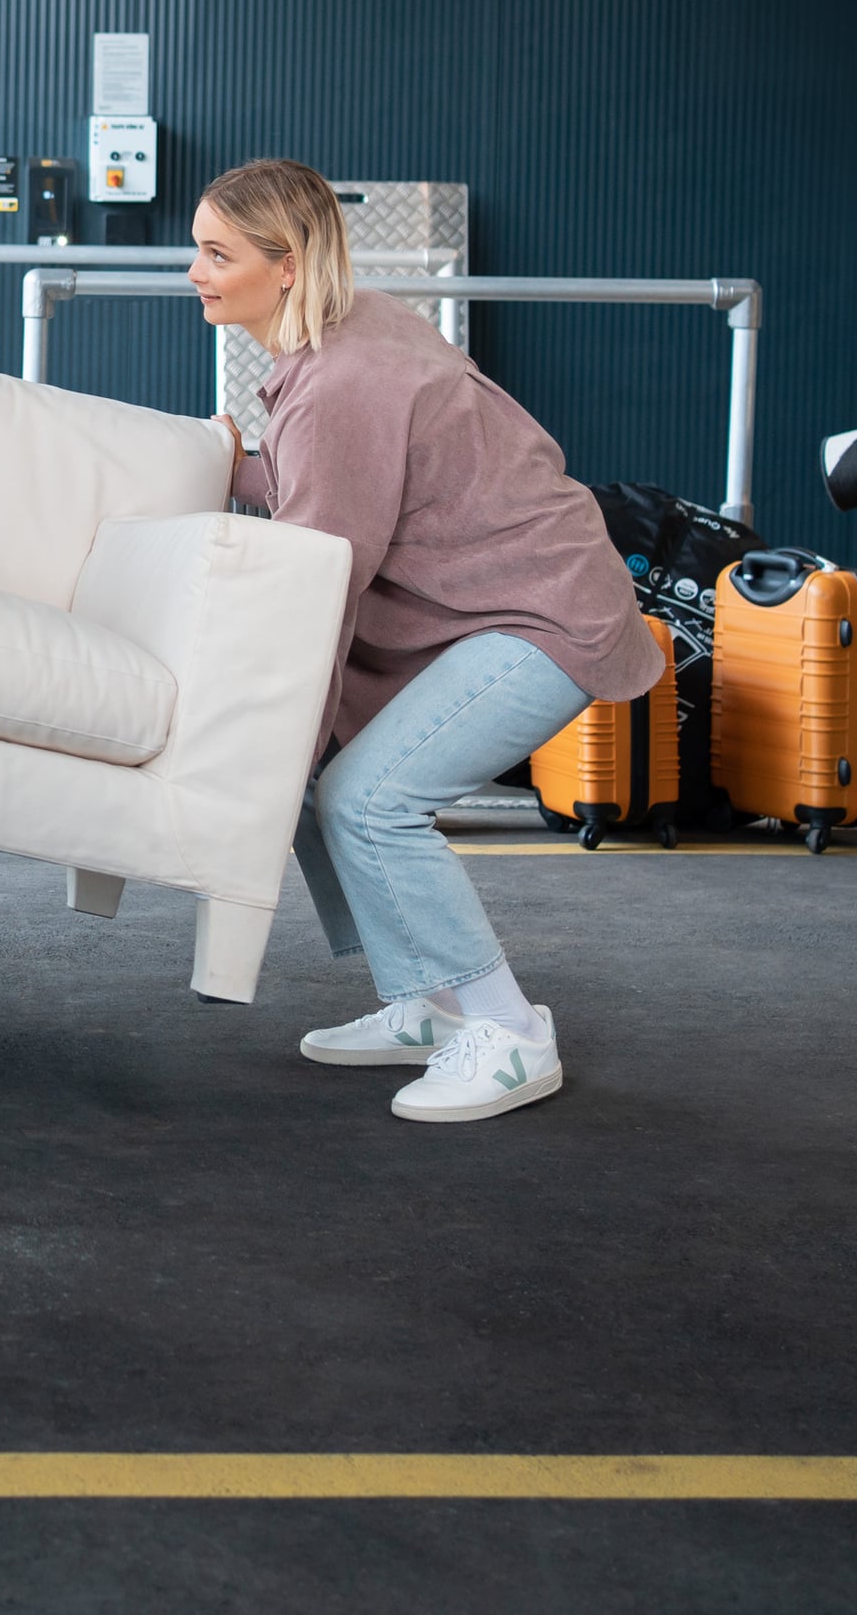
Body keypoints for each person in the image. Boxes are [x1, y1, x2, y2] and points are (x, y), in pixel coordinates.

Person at [190, 158, 658, 1125]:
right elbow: (311, 483)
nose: (193, 272)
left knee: (366, 797)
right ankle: (429, 1004)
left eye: (214, 253)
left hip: (541, 612)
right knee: (326, 777)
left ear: (285, 266)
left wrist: (257, 730)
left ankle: (508, 1031)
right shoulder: (340, 330)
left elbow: (315, 582)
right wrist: (220, 467)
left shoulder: (342, 380)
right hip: (495, 600)